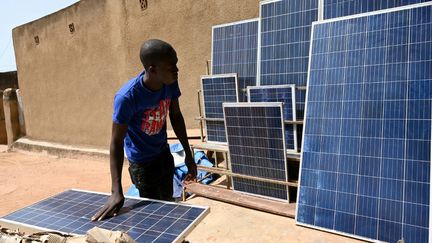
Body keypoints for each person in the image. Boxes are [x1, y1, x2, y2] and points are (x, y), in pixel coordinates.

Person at [92, 39, 197, 221]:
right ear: (153, 69)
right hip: (142, 164)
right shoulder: (127, 98)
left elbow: (176, 115)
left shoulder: (170, 82)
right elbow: (116, 142)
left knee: (167, 205)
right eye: (171, 66)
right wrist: (116, 191)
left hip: (163, 155)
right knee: (152, 218)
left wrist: (188, 154)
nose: (177, 70)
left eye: (176, 64)